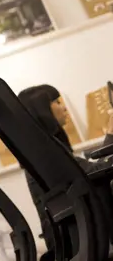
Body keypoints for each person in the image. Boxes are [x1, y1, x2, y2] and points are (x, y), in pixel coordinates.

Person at [18, 84, 113, 254]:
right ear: (42, 110)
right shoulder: (45, 155)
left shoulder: (38, 155)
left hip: (75, 238)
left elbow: (94, 171)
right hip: (83, 239)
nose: (64, 108)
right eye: (56, 102)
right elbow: (96, 172)